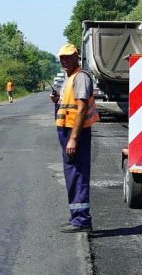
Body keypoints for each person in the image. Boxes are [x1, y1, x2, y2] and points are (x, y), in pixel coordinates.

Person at [50, 43, 99, 233]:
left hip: (75, 133)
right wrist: (58, 101)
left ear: (77, 57)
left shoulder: (81, 78)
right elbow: (69, 105)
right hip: (67, 131)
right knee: (72, 175)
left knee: (77, 175)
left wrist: (73, 139)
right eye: (62, 58)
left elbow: (81, 108)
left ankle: (82, 221)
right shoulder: (70, 78)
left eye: (69, 57)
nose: (65, 60)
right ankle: (76, 217)